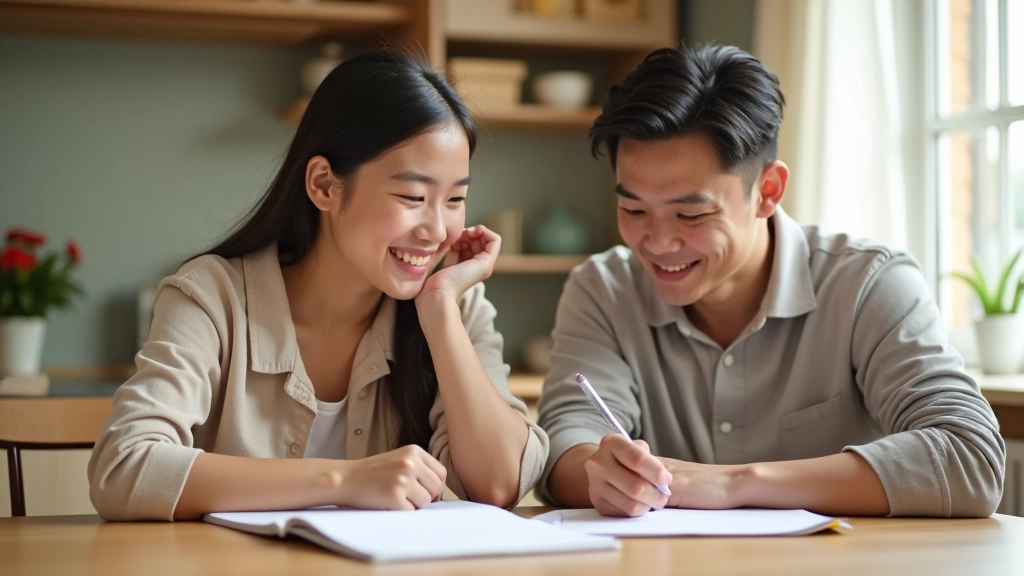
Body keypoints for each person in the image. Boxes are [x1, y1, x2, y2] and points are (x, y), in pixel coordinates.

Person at [537, 44, 1004, 518]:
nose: (657, 242)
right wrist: (600, 473)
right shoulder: (602, 289)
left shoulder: (868, 284)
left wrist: (737, 484)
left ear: (768, 191)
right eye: (633, 209)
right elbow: (563, 446)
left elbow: (971, 458)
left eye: (690, 213)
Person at [88, 50, 549, 521]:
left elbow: (497, 485)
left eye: (455, 199)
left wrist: (441, 313)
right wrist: (343, 481)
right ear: (324, 184)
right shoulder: (211, 296)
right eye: (413, 196)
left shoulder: (454, 305)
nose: (436, 230)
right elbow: (124, 467)